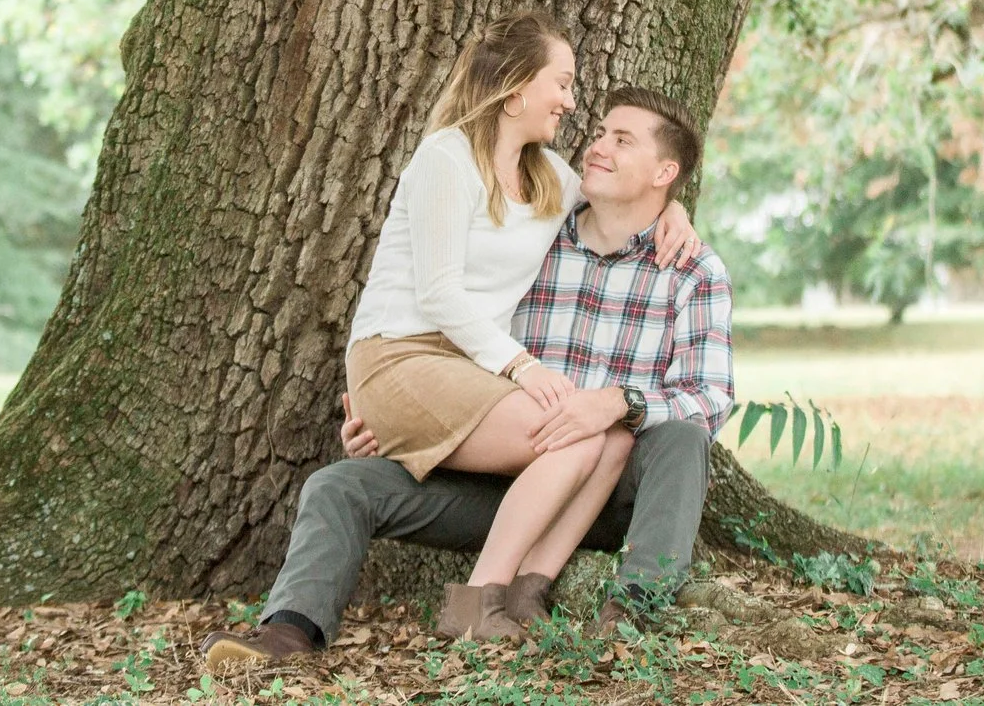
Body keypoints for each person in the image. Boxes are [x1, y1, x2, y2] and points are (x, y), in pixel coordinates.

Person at [203, 86, 732, 674]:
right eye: (601, 132)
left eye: (622, 140)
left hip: (611, 491)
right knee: (341, 484)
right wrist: (407, 425)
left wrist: (617, 403)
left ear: (665, 172)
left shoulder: (692, 269)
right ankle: (289, 632)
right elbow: (461, 335)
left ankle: (634, 615)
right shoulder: (535, 235)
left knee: (683, 437)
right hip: (505, 475)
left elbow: (710, 399)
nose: (598, 146)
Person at [330, 10, 699, 639]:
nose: (570, 102)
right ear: (516, 87)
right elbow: (438, 293)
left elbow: (628, 197)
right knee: (572, 432)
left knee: (607, 435)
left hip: (465, 368)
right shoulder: (446, 158)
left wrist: (676, 210)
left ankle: (527, 594)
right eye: (562, 83)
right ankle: (476, 604)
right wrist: (523, 367)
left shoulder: (549, 177)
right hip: (401, 357)